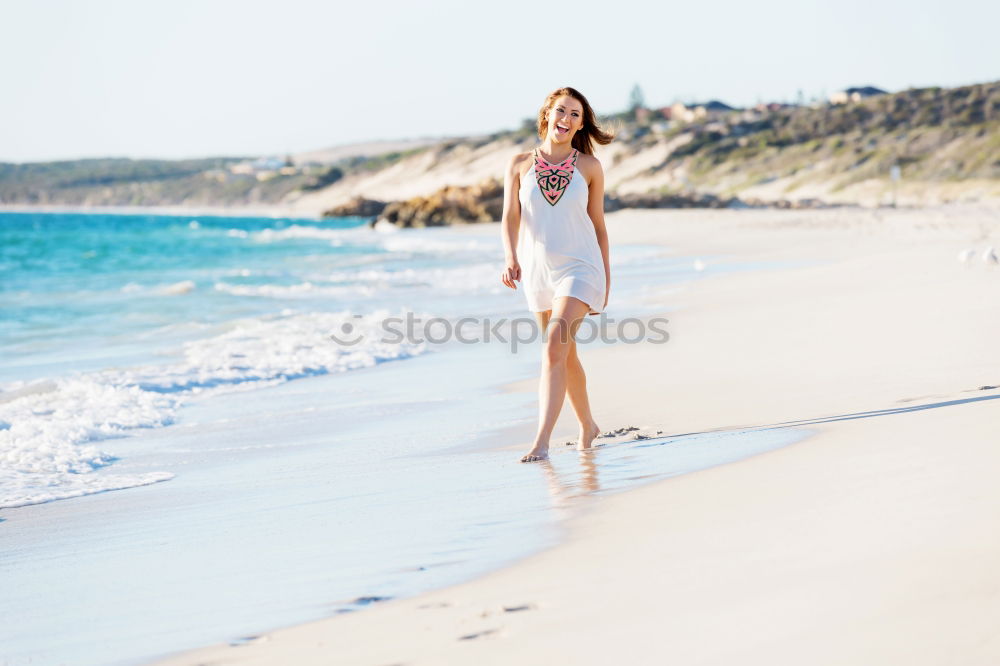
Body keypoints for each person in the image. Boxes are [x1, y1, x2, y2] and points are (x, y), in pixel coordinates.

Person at [500, 86, 615, 463]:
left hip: (581, 268)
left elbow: (598, 225)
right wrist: (510, 257)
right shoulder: (518, 164)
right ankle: (588, 426)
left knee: (552, 348)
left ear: (581, 124)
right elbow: (510, 217)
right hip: (537, 272)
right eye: (562, 111)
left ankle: (542, 441)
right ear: (547, 113)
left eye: (575, 115)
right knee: (565, 356)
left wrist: (606, 276)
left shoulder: (589, 167)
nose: (566, 120)